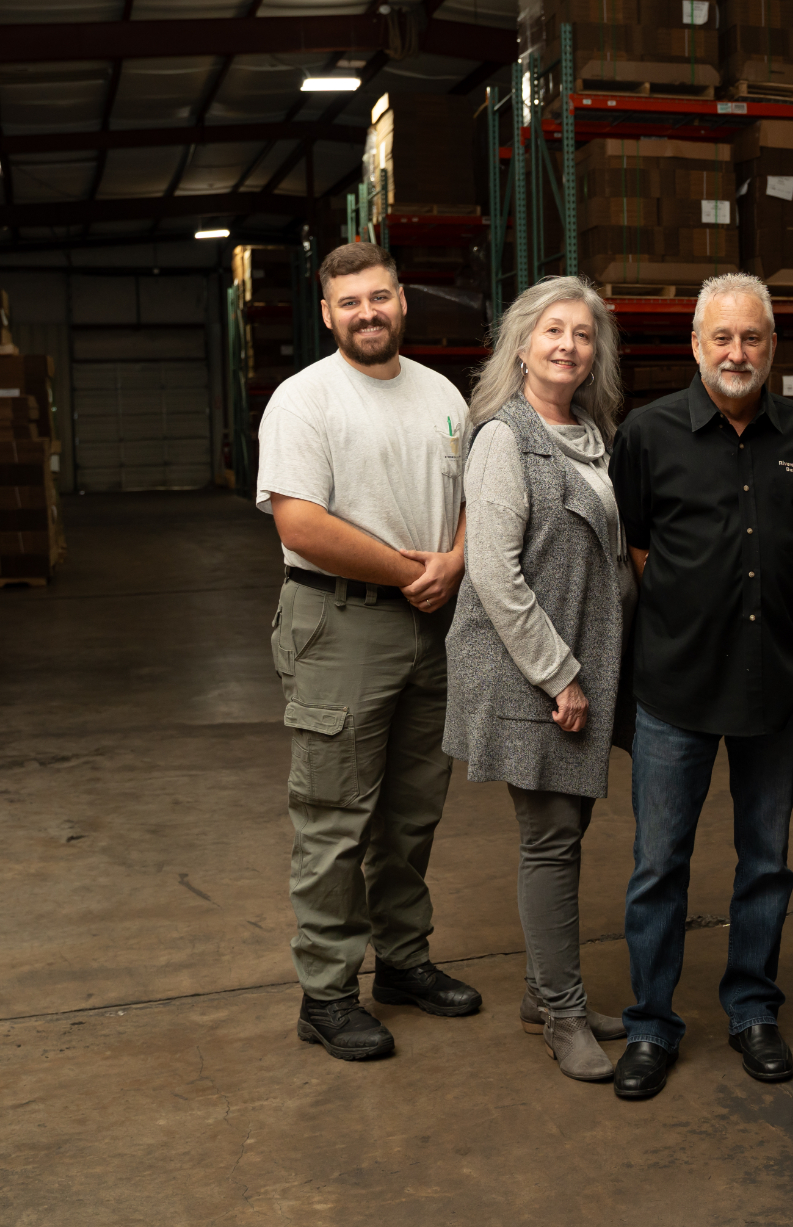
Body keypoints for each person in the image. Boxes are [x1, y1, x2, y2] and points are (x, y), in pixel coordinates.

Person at [606, 273, 793, 1101]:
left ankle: (751, 1011)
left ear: (772, 346)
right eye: (722, 338)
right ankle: (650, 1025)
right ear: (696, 345)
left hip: (772, 689)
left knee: (767, 862)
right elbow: (633, 550)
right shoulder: (646, 432)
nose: (737, 352)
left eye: (753, 338)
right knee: (659, 865)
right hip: (674, 688)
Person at [257, 241, 481, 1062]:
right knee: (334, 817)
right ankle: (325, 993)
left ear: (403, 301)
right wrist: (408, 573)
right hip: (341, 622)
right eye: (349, 303)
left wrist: (454, 561)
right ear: (327, 314)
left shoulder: (442, 394)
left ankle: (404, 961)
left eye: (380, 297)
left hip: (433, 622)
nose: (368, 313)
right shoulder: (304, 399)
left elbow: (472, 496)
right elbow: (299, 524)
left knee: (413, 810)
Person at [443, 276, 637, 1084]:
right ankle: (561, 1013)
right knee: (552, 841)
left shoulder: (591, 431)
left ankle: (541, 990)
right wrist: (560, 676)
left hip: (582, 666)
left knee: (567, 831)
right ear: (521, 345)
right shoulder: (504, 438)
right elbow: (492, 572)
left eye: (583, 335)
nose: (568, 345)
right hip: (531, 674)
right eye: (552, 331)